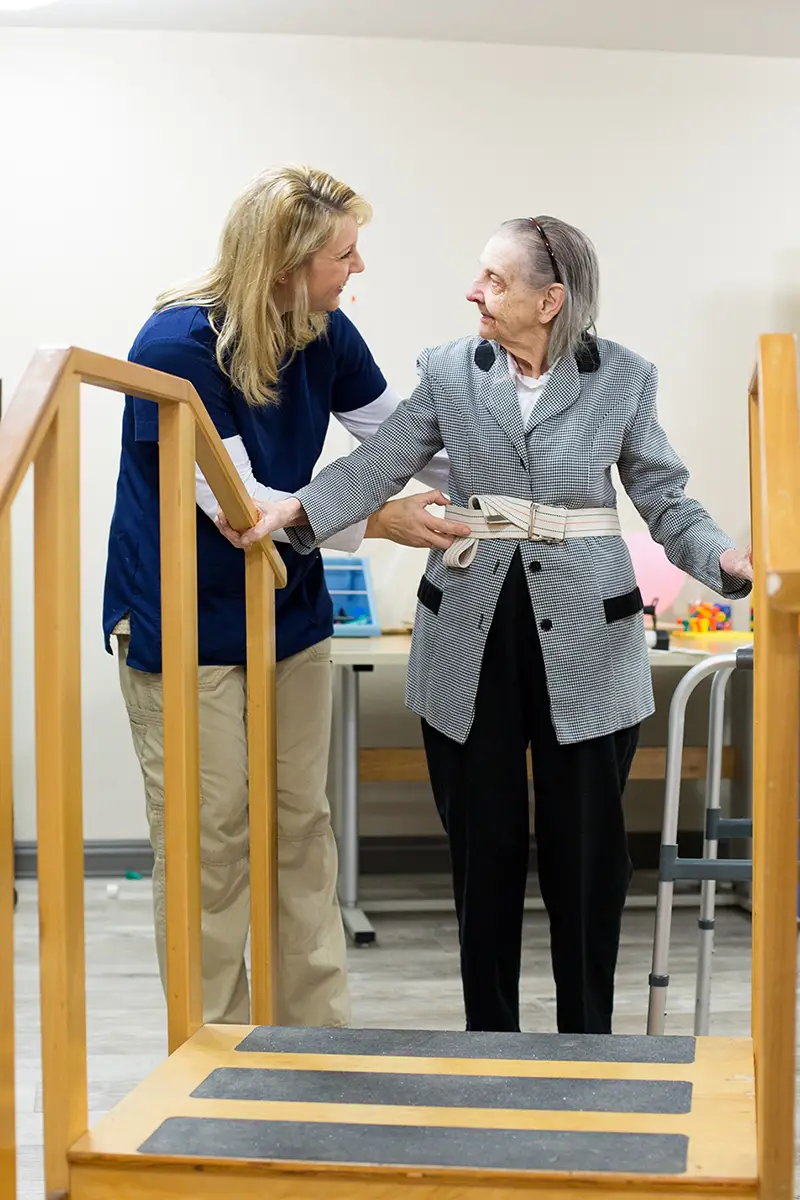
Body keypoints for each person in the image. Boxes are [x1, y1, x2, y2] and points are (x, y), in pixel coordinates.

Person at [241, 214, 753, 1035]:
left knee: (588, 856)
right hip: (469, 634)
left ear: (551, 300)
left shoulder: (623, 376)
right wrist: (300, 510)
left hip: (589, 638)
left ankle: (588, 1041)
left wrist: (722, 561)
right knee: (485, 853)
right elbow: (379, 463)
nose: (474, 291)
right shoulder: (449, 370)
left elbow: (662, 493)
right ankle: (491, 1041)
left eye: (496, 279)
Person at [102, 165, 470, 1028]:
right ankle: (215, 1049)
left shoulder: (325, 332)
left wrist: (530, 486)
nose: (359, 268)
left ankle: (314, 1040)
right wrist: (381, 522)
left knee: (301, 826)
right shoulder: (174, 350)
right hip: (183, 622)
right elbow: (246, 510)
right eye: (344, 253)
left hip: (288, 618)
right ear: (284, 263)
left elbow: (406, 441)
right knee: (212, 841)